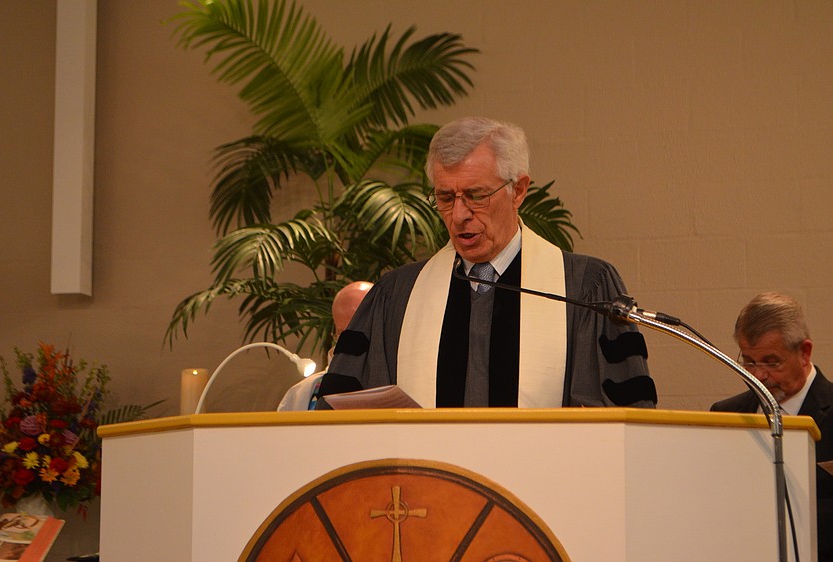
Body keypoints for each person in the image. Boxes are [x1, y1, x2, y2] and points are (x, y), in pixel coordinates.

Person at [324, 116, 655, 408]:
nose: (459, 215)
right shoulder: (397, 296)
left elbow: (620, 417)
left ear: (519, 190)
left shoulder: (585, 288)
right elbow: (347, 414)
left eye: (476, 195)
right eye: (445, 197)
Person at [711, 292, 833, 561]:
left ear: (804, 352)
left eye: (771, 361)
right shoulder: (725, 414)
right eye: (748, 361)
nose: (758, 375)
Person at [277, 281, 373, 411]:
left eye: (362, 332)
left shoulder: (404, 384)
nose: (351, 342)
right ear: (334, 334)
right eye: (343, 334)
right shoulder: (301, 395)